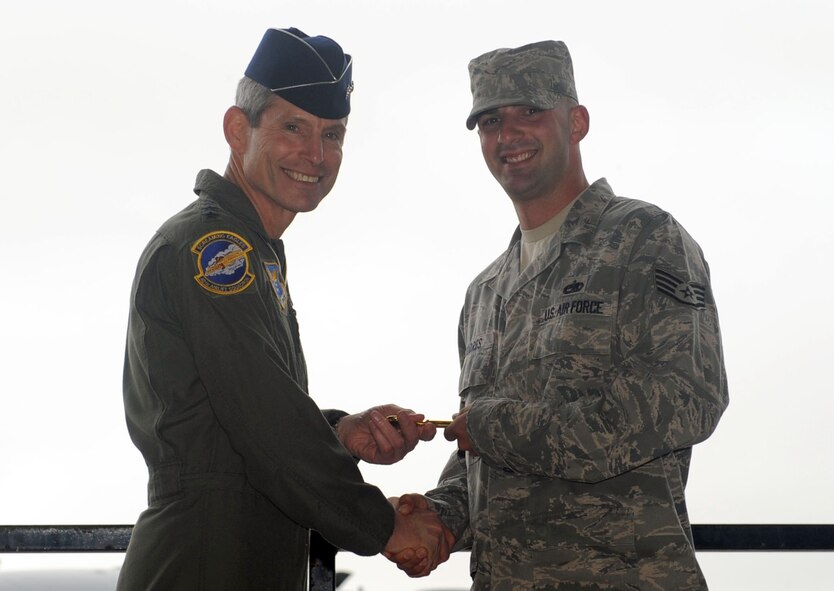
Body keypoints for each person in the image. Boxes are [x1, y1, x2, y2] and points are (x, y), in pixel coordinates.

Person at [118, 27, 451, 590]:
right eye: (293, 127)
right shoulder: (217, 252)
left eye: (333, 134)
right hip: (207, 561)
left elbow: (236, 412)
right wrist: (383, 527)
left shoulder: (255, 249)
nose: (316, 155)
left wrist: (338, 433)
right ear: (235, 129)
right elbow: (266, 424)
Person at [389, 40, 729, 590]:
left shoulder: (644, 238)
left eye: (531, 112)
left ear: (576, 121)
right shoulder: (485, 292)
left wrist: (493, 426)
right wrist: (439, 516)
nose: (509, 135)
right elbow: (484, 457)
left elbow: (688, 396)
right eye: (490, 121)